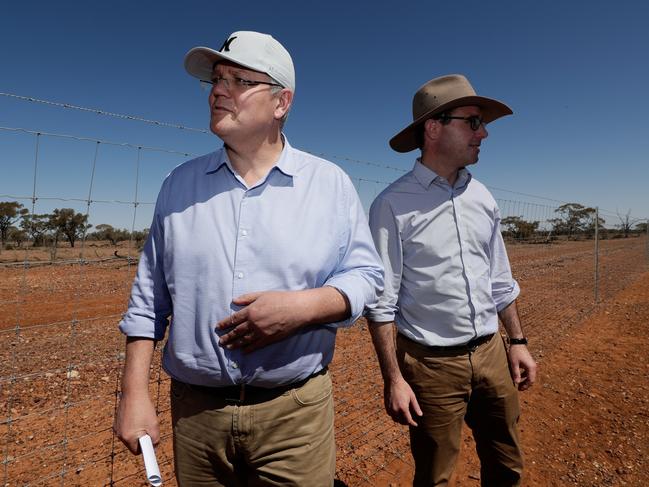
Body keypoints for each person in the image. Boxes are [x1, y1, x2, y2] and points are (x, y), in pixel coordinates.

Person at [113, 30, 383, 487]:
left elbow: (368, 275)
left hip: (295, 415)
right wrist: (133, 393)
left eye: (239, 80)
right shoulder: (178, 185)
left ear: (282, 103)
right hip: (196, 417)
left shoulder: (329, 184)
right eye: (217, 80)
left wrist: (305, 308)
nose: (219, 91)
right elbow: (148, 301)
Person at [366, 74, 537, 486]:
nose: (485, 133)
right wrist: (394, 379)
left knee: (507, 463)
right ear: (433, 127)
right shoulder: (392, 204)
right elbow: (381, 303)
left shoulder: (483, 197)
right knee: (436, 476)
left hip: (492, 354)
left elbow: (499, 279)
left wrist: (516, 342)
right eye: (473, 122)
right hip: (430, 366)